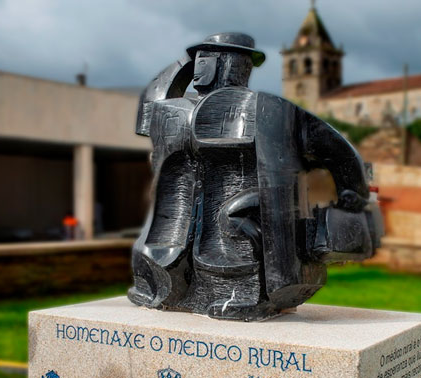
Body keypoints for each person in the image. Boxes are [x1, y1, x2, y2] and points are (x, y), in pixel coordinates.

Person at [129, 33, 381, 321]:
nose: (199, 67)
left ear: (233, 64)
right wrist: (183, 63)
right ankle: (162, 289)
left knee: (238, 221)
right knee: (160, 242)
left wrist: (353, 191)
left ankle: (249, 296)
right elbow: (149, 109)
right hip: (183, 217)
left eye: (208, 58)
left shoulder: (266, 109)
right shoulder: (174, 111)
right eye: (197, 59)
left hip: (243, 207)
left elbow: (338, 150)